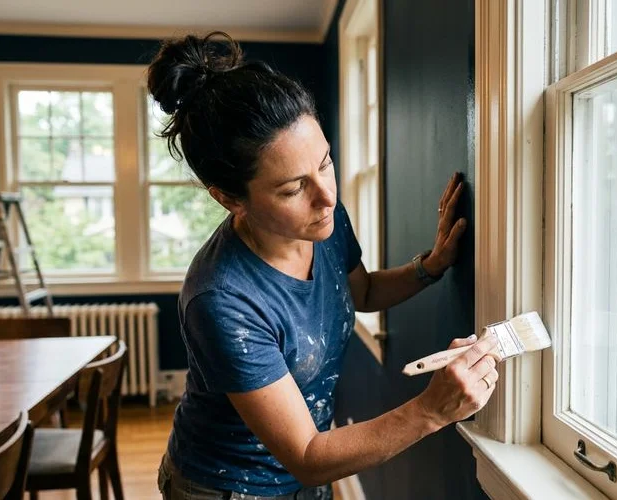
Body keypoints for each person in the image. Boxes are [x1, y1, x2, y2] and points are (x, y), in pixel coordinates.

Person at [149, 32, 500, 500]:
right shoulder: (222, 300)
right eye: (293, 188)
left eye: (326, 162)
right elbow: (309, 455)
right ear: (230, 198)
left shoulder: (323, 221)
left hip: (306, 478)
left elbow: (363, 292)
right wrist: (431, 410)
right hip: (226, 488)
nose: (327, 196)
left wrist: (430, 266)